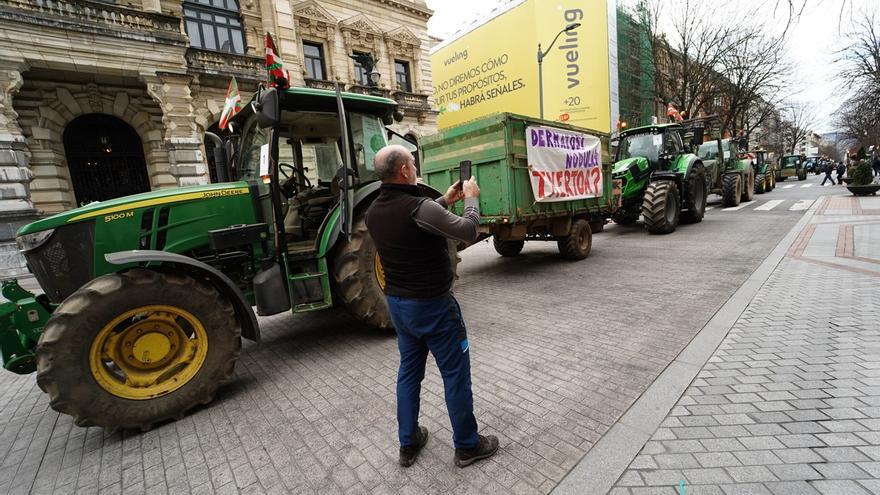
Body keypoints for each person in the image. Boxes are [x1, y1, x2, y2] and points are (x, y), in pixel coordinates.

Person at [365, 145, 499, 469]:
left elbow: (413, 221)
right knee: (454, 374)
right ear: (404, 172)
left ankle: (408, 442)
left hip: (400, 307)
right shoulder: (419, 206)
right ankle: (468, 445)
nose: (415, 167)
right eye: (412, 163)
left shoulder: (373, 211)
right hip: (433, 307)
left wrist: (445, 201)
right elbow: (468, 230)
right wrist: (470, 198)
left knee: (409, 373)